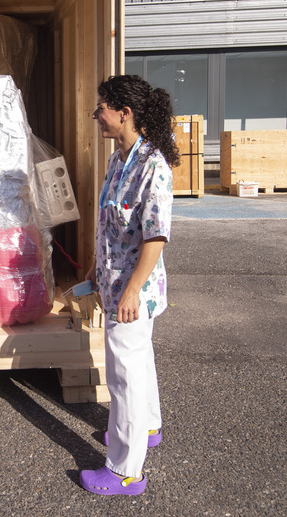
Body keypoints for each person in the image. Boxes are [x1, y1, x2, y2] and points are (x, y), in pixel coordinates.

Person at [80, 75, 180, 496]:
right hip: (115, 281)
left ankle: (125, 470)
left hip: (131, 292)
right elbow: (111, 224)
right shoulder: (118, 160)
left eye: (101, 106)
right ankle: (149, 427)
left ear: (125, 114)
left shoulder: (152, 165)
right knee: (139, 362)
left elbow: (155, 236)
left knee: (124, 376)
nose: (95, 114)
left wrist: (133, 290)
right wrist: (93, 268)